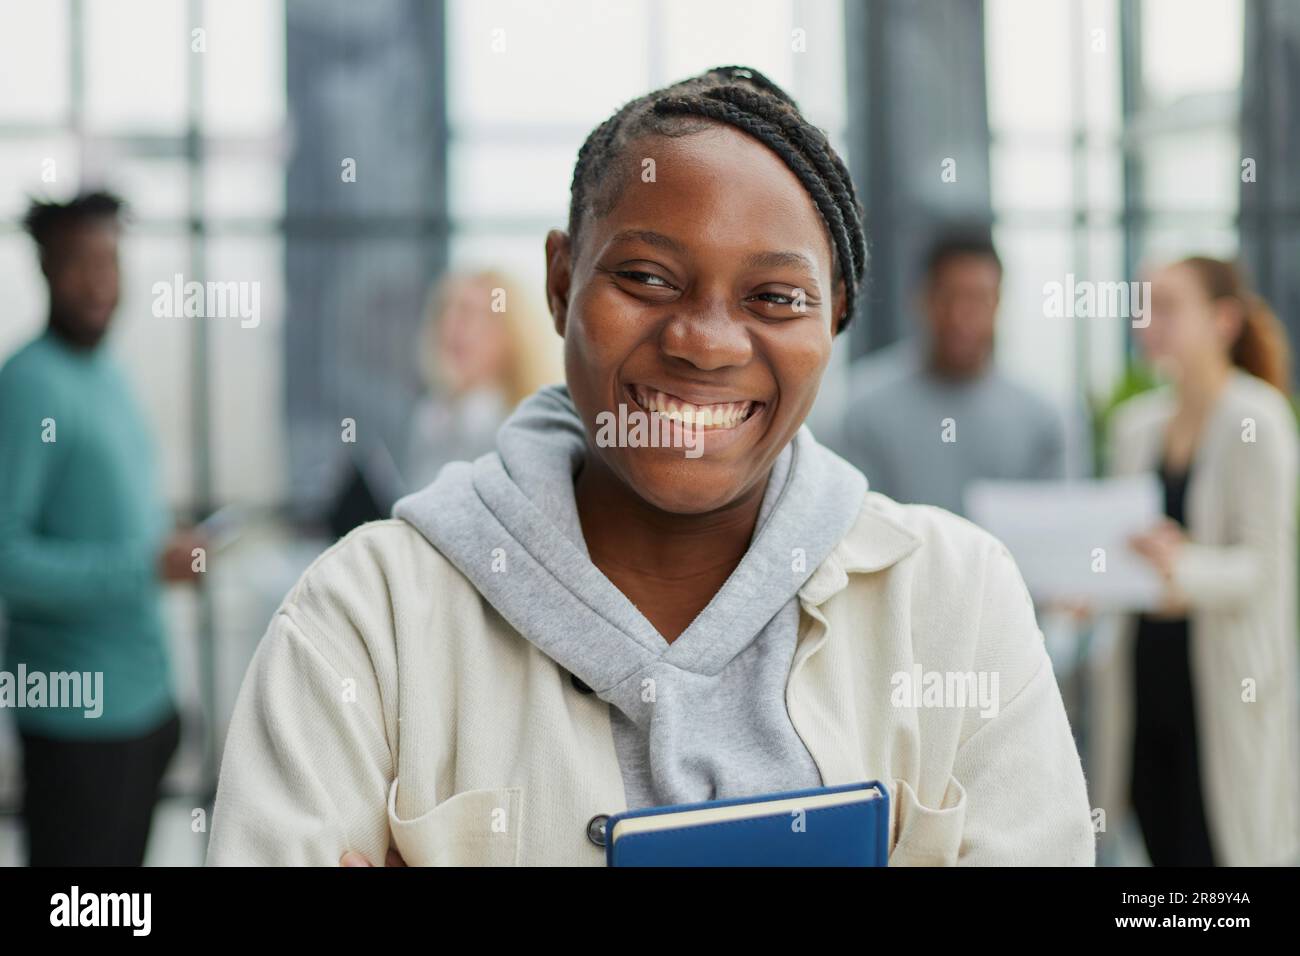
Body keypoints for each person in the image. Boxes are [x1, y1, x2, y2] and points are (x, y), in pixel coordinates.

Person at [207, 66, 1094, 866]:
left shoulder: (958, 602)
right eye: (647, 278)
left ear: (836, 318)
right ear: (561, 283)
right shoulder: (368, 617)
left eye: (775, 298)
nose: (705, 343)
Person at [0, 192, 204, 865]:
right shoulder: (29, 386)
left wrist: (170, 542)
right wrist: (145, 566)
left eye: (110, 262)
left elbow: (110, 516)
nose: (99, 282)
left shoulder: (109, 374)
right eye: (78, 264)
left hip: (144, 709)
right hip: (77, 723)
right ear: (45, 270)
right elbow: (8, 560)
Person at [1091, 257, 1300, 866]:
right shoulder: (1135, 427)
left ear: (1224, 320)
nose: (1150, 321)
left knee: (1219, 859)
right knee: (1159, 859)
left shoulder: (1256, 419)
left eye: (1169, 305)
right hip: (1144, 683)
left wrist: (1182, 570)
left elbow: (1264, 567)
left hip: (1223, 685)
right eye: (1145, 305)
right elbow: (1121, 542)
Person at [834, 231, 1066, 516]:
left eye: (978, 299)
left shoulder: (1042, 419)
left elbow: (1056, 526)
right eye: (950, 298)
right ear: (922, 299)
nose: (962, 317)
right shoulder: (865, 412)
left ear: (999, 303)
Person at [403, 269, 560, 490]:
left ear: (509, 333)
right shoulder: (431, 418)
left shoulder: (531, 429)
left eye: (468, 314)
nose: (450, 327)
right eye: (444, 312)